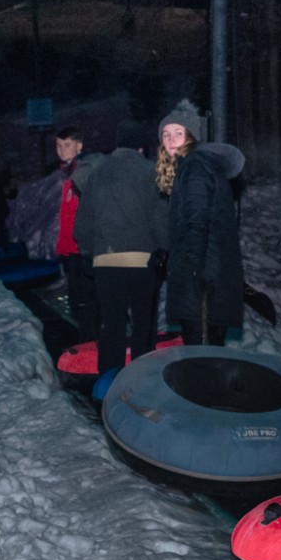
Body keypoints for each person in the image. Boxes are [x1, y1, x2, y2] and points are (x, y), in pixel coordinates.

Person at [72, 128, 167, 375]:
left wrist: (88, 251)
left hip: (105, 260)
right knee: (142, 325)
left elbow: (82, 222)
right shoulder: (149, 172)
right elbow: (158, 217)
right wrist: (163, 249)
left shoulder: (97, 173)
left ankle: (109, 383)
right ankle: (141, 378)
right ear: (141, 148)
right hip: (141, 260)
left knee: (112, 325)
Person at [157, 100, 246, 346]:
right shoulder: (198, 166)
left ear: (191, 136)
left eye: (178, 133)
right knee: (207, 358)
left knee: (201, 359)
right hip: (208, 280)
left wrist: (193, 271)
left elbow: (197, 221)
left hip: (202, 285)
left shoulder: (195, 167)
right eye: (165, 134)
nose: (170, 139)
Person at [8, 126, 98, 339]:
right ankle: (88, 342)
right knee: (78, 299)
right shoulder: (63, 173)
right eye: (58, 145)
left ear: (79, 146)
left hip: (84, 248)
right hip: (70, 247)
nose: (62, 150)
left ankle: (92, 346)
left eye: (67, 145)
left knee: (86, 300)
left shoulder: (85, 172)